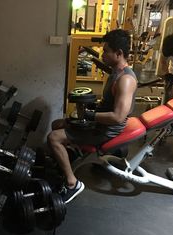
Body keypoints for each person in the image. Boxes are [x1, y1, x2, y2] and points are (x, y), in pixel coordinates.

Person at [47, 29, 137, 203]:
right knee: (57, 124)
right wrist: (90, 109)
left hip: (106, 130)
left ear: (118, 54)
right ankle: (70, 162)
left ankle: (72, 183)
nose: (103, 54)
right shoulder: (116, 73)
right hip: (99, 125)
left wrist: (88, 115)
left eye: (106, 51)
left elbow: (118, 117)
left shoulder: (126, 80)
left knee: (53, 138)